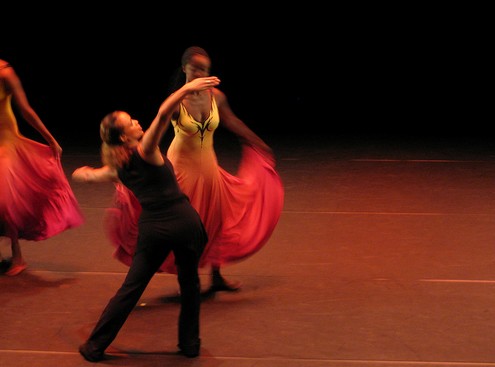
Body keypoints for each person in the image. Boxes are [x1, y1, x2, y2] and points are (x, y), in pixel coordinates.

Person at [105, 46, 284, 297]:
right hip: (181, 170)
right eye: (195, 67)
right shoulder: (178, 101)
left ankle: (217, 275)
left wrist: (258, 143)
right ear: (184, 68)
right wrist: (137, 165)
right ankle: (182, 276)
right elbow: (153, 135)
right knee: (185, 226)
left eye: (205, 69)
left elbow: (232, 121)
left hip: (209, 168)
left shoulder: (216, 97)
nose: (200, 72)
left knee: (216, 221)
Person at [72, 75, 218, 362]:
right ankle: (190, 345)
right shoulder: (146, 150)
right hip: (185, 223)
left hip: (154, 230)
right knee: (190, 284)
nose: (137, 122)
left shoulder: (119, 168)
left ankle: (94, 346)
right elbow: (164, 114)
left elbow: (85, 175)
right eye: (131, 123)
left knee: (131, 289)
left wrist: (84, 171)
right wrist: (187, 88)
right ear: (126, 137)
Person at [0, 59, 84, 276]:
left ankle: (17, 257)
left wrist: (50, 139)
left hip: (6, 145)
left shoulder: (5, 73)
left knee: (6, 202)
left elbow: (26, 110)